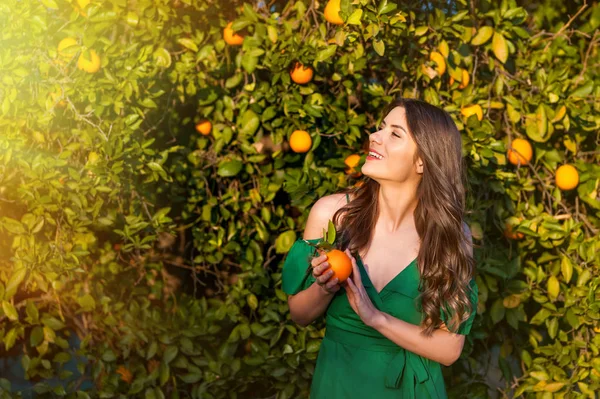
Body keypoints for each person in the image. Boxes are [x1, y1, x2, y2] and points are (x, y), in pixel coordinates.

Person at [281, 98, 479, 398]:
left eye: (395, 134)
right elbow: (299, 314)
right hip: (339, 386)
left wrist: (376, 318)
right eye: (381, 127)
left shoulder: (450, 236)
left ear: (422, 161)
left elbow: (450, 348)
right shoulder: (333, 216)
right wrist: (324, 286)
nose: (375, 136)